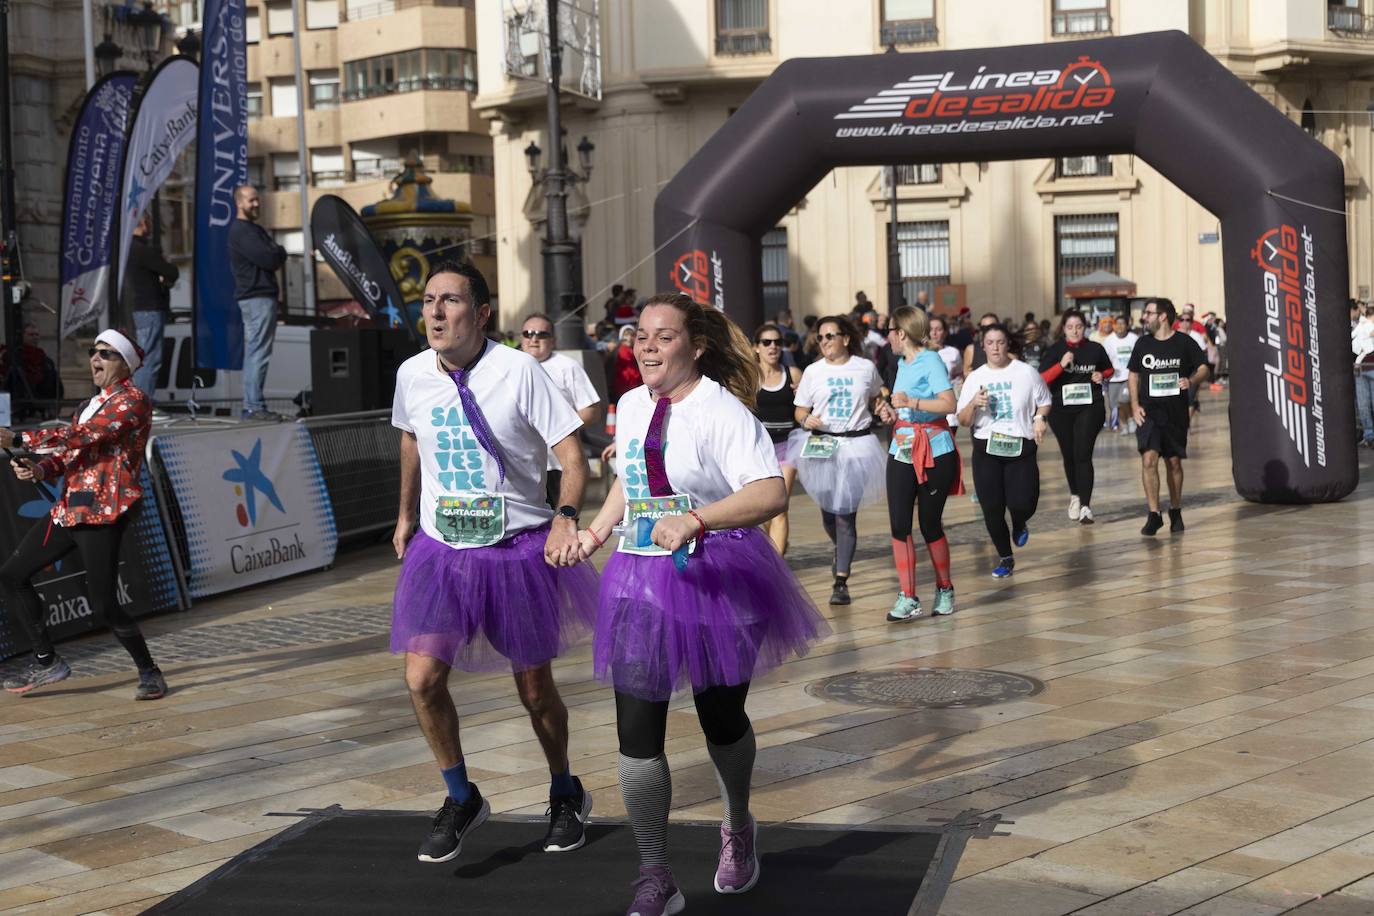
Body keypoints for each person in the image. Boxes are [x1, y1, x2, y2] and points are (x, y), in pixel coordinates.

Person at [575, 292, 828, 916]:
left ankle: (738, 824)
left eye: (664, 335)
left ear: (696, 346)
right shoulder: (631, 405)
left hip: (718, 578)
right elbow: (630, 486)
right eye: (641, 335)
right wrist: (596, 531)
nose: (649, 345)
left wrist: (696, 519)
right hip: (638, 579)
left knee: (721, 720)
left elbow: (769, 492)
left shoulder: (722, 411)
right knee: (636, 733)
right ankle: (654, 872)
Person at [390, 262, 599, 863]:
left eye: (450, 301)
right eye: (428, 300)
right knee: (421, 680)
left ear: (481, 313)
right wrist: (405, 516)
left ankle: (564, 789)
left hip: (515, 550)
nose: (434, 312)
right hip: (441, 548)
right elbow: (410, 440)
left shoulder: (519, 371)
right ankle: (461, 797)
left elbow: (570, 454)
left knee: (534, 691)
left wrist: (565, 514)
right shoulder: (411, 374)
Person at [0, 329, 166, 699]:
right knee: (11, 575)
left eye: (106, 354)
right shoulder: (87, 405)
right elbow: (73, 453)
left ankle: (149, 672)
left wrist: (22, 440)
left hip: (103, 512)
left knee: (105, 605)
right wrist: (40, 469)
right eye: (94, 352)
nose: (95, 359)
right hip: (70, 508)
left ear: (126, 365)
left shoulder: (133, 400)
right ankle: (47, 663)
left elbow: (86, 436)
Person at [792, 314, 892, 605]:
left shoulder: (865, 367)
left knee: (845, 514)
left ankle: (841, 581)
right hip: (822, 445)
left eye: (830, 336)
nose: (824, 342)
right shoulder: (813, 371)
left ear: (845, 339)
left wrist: (881, 405)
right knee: (828, 513)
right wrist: (806, 419)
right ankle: (841, 548)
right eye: (820, 337)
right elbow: (800, 410)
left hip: (858, 445)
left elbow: (876, 395)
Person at [884, 306, 961, 621]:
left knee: (930, 524)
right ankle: (908, 596)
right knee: (899, 525)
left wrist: (912, 402)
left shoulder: (931, 360)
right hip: (902, 446)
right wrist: (893, 412)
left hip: (934, 449)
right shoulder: (900, 363)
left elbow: (948, 403)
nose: (887, 336)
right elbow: (903, 405)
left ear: (901, 333)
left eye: (890, 330)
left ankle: (944, 588)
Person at [956, 324, 1051, 578]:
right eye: (990, 343)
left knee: (1023, 502)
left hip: (1021, 446)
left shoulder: (1026, 372)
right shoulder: (975, 378)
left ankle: (1020, 521)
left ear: (1008, 344)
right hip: (987, 447)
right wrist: (974, 404)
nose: (995, 348)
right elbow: (963, 420)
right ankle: (1005, 557)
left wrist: (1040, 418)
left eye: (1000, 342)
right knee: (992, 507)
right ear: (983, 346)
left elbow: (1044, 401)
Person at [1129, 298, 1208, 535]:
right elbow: (1133, 374)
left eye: (1149, 313)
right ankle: (1154, 514)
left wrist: (1191, 380)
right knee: (1148, 460)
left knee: (1173, 462)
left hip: (1175, 413)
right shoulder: (1143, 344)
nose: (1145, 317)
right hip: (1149, 413)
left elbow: (1203, 367)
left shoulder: (1184, 343)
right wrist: (1134, 405)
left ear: (1163, 316)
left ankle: (1175, 509)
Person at [520, 313, 602, 508]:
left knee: (561, 526)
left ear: (553, 340)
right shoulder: (509, 367)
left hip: (558, 465)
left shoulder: (567, 366)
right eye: (528, 333)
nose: (534, 339)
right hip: (520, 465)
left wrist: (557, 428)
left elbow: (592, 410)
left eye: (542, 334)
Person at [1039, 309, 1113, 524]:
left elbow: (1109, 370)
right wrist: (1061, 365)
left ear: (1085, 328)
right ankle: (1075, 495)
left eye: (1078, 327)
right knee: (1069, 454)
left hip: (1090, 407)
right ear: (1063, 329)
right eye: (1070, 327)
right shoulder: (1055, 350)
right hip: (1061, 410)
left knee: (1083, 454)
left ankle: (1086, 506)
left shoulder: (1095, 349)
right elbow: (1042, 379)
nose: (1075, 331)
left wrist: (1101, 375)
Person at [228, 185, 287, 421]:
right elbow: (271, 257)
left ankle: (253, 404)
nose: (256, 204)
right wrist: (277, 251)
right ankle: (253, 405)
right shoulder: (242, 231)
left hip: (259, 297)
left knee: (258, 350)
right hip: (256, 297)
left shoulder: (252, 230)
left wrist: (276, 251)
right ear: (239, 203)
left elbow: (274, 254)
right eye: (251, 200)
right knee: (258, 352)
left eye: (257, 200)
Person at [752, 322, 803, 554]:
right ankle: (766, 556)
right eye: (767, 342)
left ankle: (777, 566)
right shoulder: (749, 376)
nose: (773, 347)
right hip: (758, 450)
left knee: (780, 506)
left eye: (777, 342)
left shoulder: (792, 374)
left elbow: (805, 407)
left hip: (788, 445)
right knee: (761, 508)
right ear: (756, 348)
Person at [121, 213, 178, 409]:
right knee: (151, 358)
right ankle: (143, 403)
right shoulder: (142, 250)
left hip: (142, 308)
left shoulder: (131, 250)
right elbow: (171, 271)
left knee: (147, 356)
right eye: (149, 222)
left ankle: (141, 400)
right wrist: (166, 272)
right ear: (143, 223)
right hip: (150, 308)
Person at [1104, 314, 1139, 433]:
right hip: (1113, 378)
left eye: (1122, 323)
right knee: (1115, 405)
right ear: (1114, 326)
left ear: (1127, 325)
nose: (1120, 326)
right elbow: (1104, 359)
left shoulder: (1133, 338)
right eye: (1117, 324)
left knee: (1124, 399)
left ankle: (1131, 419)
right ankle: (1123, 424)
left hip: (1129, 376)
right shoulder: (1108, 340)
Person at [1353, 302, 1374, 448]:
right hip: (1361, 369)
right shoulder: (1361, 327)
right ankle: (1369, 436)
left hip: (1372, 369)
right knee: (1363, 405)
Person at [609, 324, 644, 402]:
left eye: (631, 335)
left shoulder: (635, 351)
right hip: (623, 387)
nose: (629, 338)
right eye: (626, 335)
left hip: (634, 386)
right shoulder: (620, 351)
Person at [962, 311, 1000, 377]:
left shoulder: (1006, 348)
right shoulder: (971, 349)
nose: (987, 330)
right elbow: (966, 374)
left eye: (991, 326)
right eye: (983, 327)